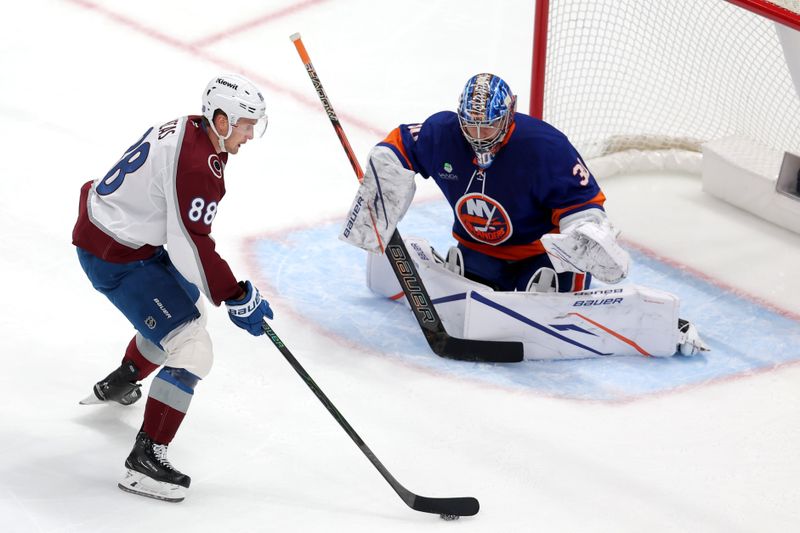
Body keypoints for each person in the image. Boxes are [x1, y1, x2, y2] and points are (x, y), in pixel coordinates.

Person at [340, 73, 708, 357]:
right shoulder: (443, 132)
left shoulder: (545, 147)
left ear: (509, 113)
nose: (479, 136)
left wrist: (586, 234)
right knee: (469, 288)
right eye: (471, 125)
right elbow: (401, 144)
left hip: (540, 257)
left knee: (544, 295)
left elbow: (583, 205)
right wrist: (384, 171)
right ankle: (466, 273)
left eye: (488, 126)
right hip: (479, 248)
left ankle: (586, 302)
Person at [72, 74, 274, 502]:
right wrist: (236, 295)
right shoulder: (198, 166)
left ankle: (125, 378)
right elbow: (189, 242)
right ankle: (144, 459)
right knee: (193, 346)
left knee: (190, 311)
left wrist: (223, 292)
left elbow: (181, 235)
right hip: (117, 256)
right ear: (221, 119)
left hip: (120, 237)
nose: (250, 135)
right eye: (245, 124)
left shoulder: (190, 128)